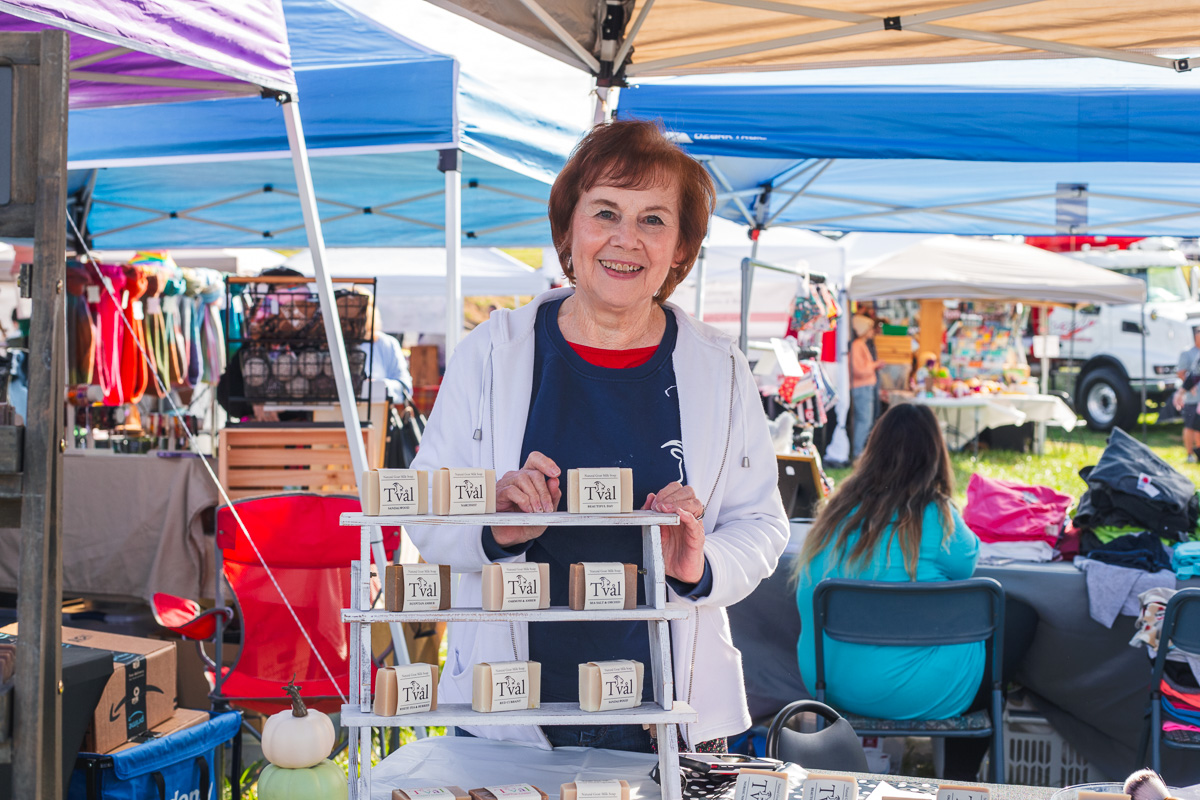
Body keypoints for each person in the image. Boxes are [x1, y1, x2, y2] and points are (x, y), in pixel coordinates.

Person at [407, 120, 789, 753]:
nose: (625, 239)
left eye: (653, 220)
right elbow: (424, 506)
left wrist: (700, 565)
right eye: (605, 212)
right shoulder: (492, 351)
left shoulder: (719, 365)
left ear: (680, 249)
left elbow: (761, 523)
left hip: (667, 709)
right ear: (568, 230)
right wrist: (494, 526)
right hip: (509, 705)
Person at [793, 403, 1037, 779]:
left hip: (830, 686)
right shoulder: (938, 517)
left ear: (872, 450)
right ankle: (958, 782)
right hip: (916, 691)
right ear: (935, 457)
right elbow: (966, 565)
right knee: (1016, 618)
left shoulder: (835, 514)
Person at [362, 301, 412, 404]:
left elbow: (405, 387)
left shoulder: (386, 343)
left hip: (377, 411)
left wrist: (380, 386)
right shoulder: (330, 343)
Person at [849, 314, 881, 459]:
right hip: (861, 387)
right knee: (864, 421)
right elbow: (858, 370)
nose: (872, 331)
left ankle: (859, 452)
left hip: (865, 387)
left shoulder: (861, 344)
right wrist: (874, 365)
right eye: (870, 328)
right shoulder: (857, 345)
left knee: (865, 421)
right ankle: (858, 453)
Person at [1175, 326, 1200, 462]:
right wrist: (1183, 391)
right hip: (1193, 398)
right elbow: (1195, 374)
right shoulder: (1188, 353)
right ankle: (1191, 454)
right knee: (1192, 426)